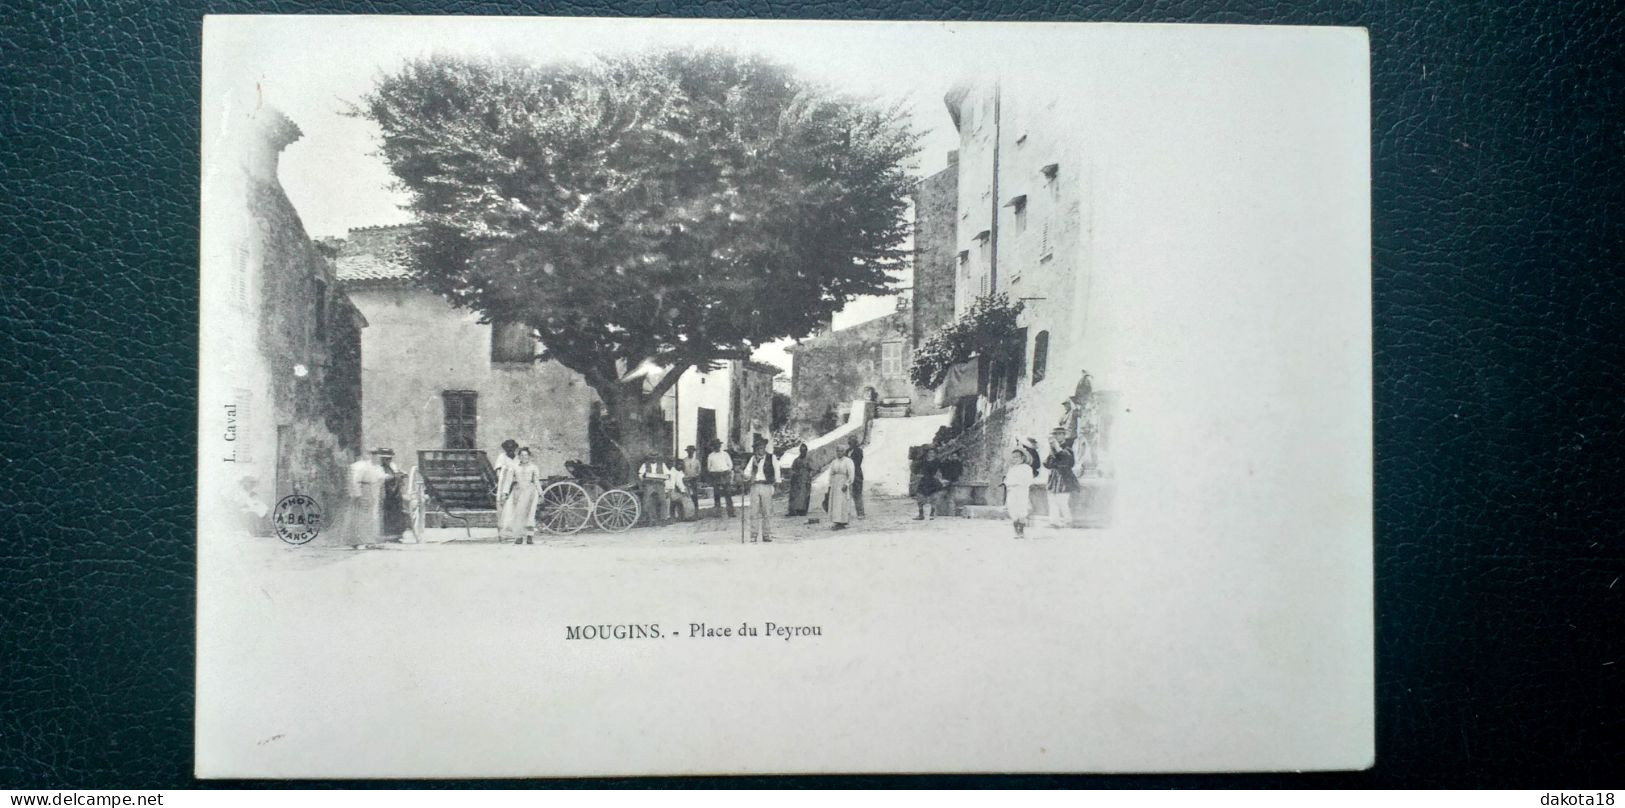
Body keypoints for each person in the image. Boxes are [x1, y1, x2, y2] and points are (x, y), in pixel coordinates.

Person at [497, 447, 541, 545]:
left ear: (529, 456)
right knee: (518, 514)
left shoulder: (534, 467)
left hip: (530, 492)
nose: (524, 457)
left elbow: (536, 481)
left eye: (526, 455)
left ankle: (529, 536)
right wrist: (505, 493)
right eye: (522, 455)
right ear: (519, 457)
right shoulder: (514, 467)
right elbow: (508, 481)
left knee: (530, 514)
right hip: (518, 492)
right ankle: (519, 537)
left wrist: (541, 493)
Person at [742, 439, 778, 543]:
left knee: (767, 511)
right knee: (754, 512)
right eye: (757, 449)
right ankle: (753, 535)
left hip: (766, 485)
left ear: (764, 448)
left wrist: (777, 483)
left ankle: (766, 535)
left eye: (761, 448)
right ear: (755, 450)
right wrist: (744, 476)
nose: (759, 450)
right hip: (755, 486)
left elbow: (777, 471)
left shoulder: (772, 458)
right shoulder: (753, 459)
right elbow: (747, 473)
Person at [1044, 435, 1079, 528]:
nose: (1053, 441)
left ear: (1063, 436)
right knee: (1052, 500)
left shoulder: (1068, 449)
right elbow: (1047, 464)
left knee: (1062, 500)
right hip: (1054, 477)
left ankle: (1068, 521)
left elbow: (1069, 462)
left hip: (1064, 477)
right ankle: (1054, 522)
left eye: (1059, 435)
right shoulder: (1052, 451)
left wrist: (1058, 449)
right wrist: (1051, 455)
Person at [1004, 448, 1037, 539]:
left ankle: (1021, 530)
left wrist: (1019, 483)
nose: (1015, 459)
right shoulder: (1012, 469)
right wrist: (1008, 484)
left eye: (1017, 457)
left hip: (1022, 491)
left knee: (1021, 511)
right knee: (1013, 510)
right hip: (1012, 491)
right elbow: (1007, 480)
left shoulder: (1026, 468)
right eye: (1013, 457)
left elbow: (1028, 480)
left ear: (1022, 457)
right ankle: (1016, 531)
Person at [826, 445, 856, 530]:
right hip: (835, 484)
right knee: (835, 502)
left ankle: (842, 521)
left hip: (843, 482)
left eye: (841, 451)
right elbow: (831, 474)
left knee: (842, 502)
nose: (839, 453)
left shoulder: (848, 461)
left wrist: (847, 484)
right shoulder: (834, 462)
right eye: (838, 451)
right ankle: (836, 521)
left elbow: (851, 474)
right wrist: (830, 485)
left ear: (844, 452)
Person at [637, 453, 671, 527]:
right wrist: (644, 476)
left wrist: (665, 477)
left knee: (663, 501)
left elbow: (668, 474)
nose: (653, 459)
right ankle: (649, 519)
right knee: (646, 500)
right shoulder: (645, 465)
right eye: (651, 458)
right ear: (649, 458)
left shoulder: (662, 465)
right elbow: (640, 474)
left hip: (659, 484)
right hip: (649, 484)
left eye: (655, 458)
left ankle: (663, 519)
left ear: (657, 458)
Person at [705, 439, 736, 518]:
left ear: (720, 445)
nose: (717, 446)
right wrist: (714, 473)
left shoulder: (725, 454)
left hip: (725, 474)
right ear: (713, 447)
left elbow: (730, 465)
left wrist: (727, 472)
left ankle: (731, 512)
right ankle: (718, 513)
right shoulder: (711, 456)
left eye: (718, 445)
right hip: (715, 476)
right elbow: (709, 467)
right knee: (717, 495)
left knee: (728, 494)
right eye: (715, 445)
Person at [786, 443, 812, 517]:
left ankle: (802, 510)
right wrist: (793, 473)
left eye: (804, 450)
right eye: (801, 450)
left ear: (806, 451)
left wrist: (809, 476)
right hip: (797, 479)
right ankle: (794, 510)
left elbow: (812, 469)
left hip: (805, 479)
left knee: (804, 495)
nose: (802, 452)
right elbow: (792, 469)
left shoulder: (809, 459)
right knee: (795, 495)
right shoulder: (796, 460)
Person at [665, 457, 692, 521]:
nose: (670, 463)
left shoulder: (675, 471)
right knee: (667, 499)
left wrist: (683, 491)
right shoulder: (663, 470)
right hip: (665, 491)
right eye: (669, 462)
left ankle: (687, 516)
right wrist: (666, 491)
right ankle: (668, 517)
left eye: (671, 462)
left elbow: (679, 482)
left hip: (672, 491)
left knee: (685, 497)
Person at [681, 445, 703, 517]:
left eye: (692, 451)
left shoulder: (696, 461)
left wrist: (695, 477)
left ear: (694, 452)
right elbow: (682, 470)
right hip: (686, 480)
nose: (690, 452)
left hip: (693, 480)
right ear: (687, 452)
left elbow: (699, 471)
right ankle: (687, 513)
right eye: (689, 451)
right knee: (687, 496)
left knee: (694, 496)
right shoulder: (684, 460)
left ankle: (696, 512)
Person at [847, 436, 866, 518]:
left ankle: (860, 513)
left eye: (852, 442)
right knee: (847, 495)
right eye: (849, 442)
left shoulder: (859, 451)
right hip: (848, 475)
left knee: (857, 494)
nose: (850, 444)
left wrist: (849, 461)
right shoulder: (847, 451)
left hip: (857, 475)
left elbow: (857, 462)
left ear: (855, 443)